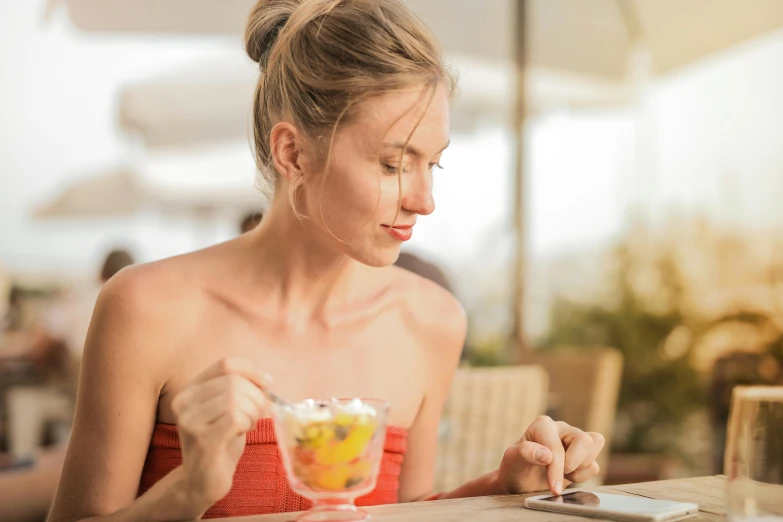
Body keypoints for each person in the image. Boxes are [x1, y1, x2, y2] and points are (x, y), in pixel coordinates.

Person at [48, 1, 605, 520]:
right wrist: (188, 492)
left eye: (432, 164)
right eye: (392, 164)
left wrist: (503, 487)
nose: (424, 200)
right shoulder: (145, 309)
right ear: (293, 153)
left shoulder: (432, 322)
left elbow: (407, 510)